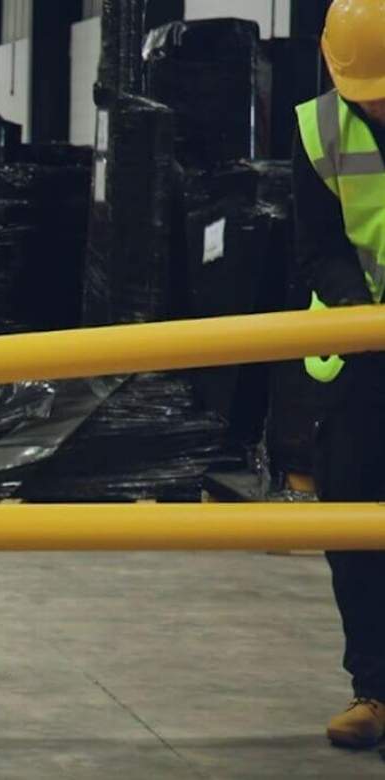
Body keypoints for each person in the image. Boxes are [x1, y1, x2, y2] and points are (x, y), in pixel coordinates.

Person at [294, 0, 385, 750]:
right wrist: (360, 314)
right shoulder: (319, 127)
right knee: (353, 521)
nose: (378, 101)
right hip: (368, 357)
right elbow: (317, 244)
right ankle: (377, 689)